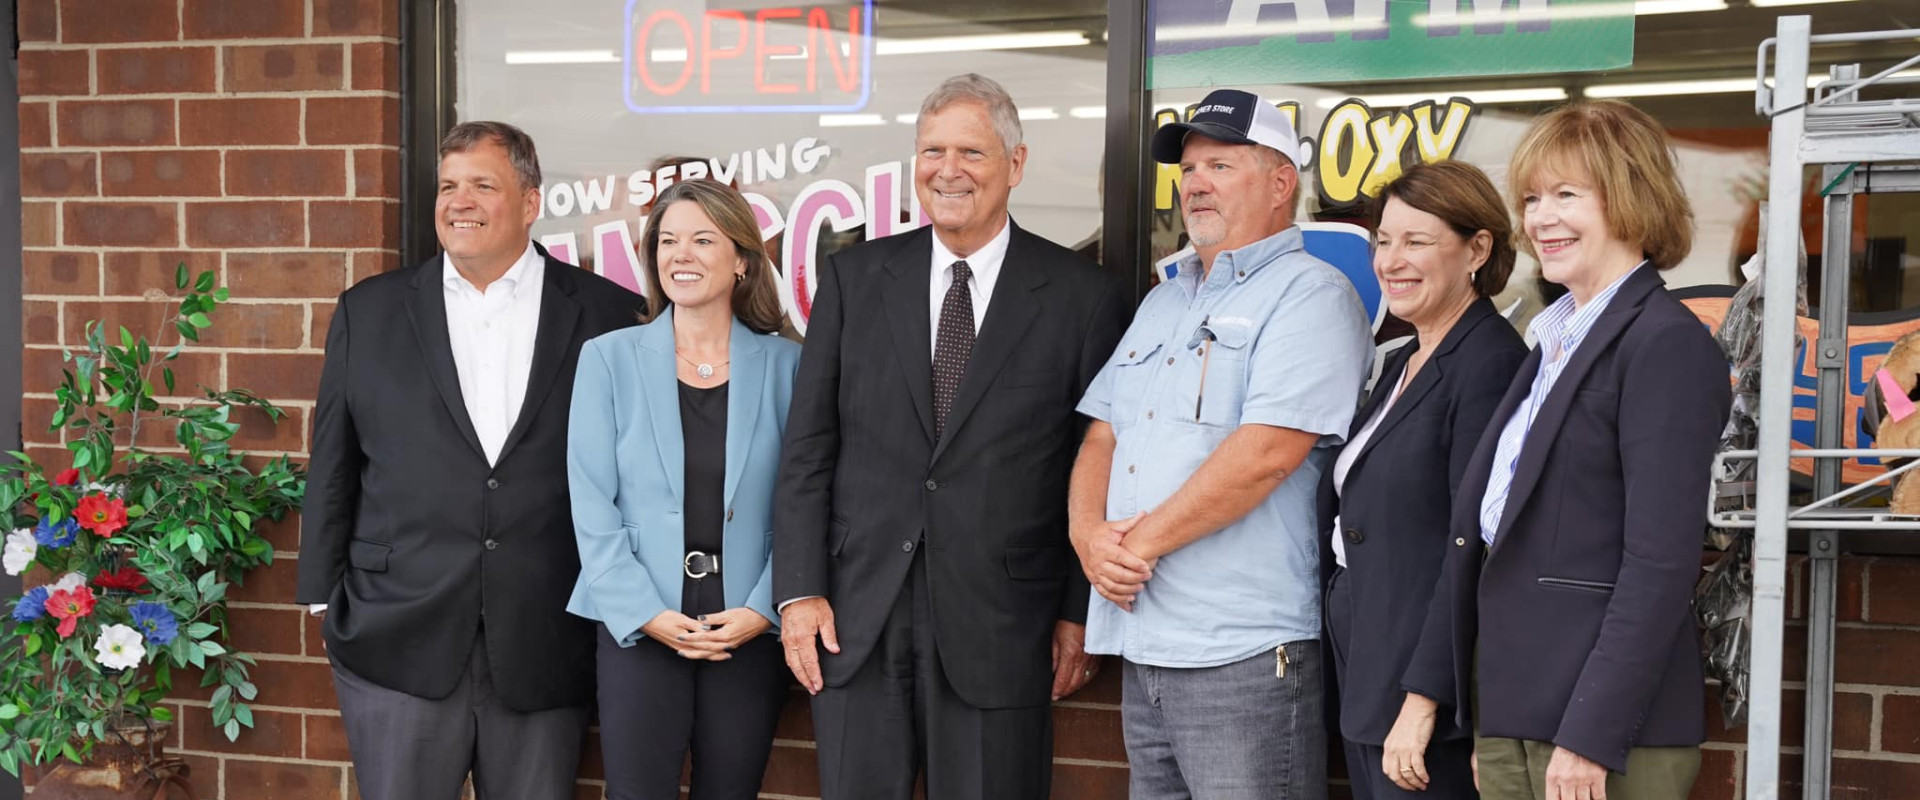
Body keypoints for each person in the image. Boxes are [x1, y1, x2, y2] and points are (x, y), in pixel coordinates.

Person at [773, 73, 1130, 800]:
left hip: (1004, 624)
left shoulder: (1082, 296)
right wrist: (800, 591)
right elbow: (808, 448)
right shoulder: (854, 279)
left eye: (972, 151)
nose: (948, 170)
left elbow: (1091, 462)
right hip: (856, 617)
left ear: (1016, 165)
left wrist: (1076, 610)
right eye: (932, 150)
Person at [296, 121, 647, 800]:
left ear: (530, 202)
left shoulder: (608, 313)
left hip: (549, 632)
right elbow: (334, 458)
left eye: (483, 185)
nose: (460, 201)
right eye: (448, 186)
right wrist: (322, 596)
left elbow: (636, 472)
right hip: (395, 631)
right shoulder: (369, 310)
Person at [1403, 100, 1732, 800]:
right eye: (1531, 198)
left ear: (1632, 197)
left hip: (1602, 731)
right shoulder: (1550, 342)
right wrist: (1460, 702)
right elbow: (1487, 538)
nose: (1541, 218)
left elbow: (1660, 562)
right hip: (1515, 710)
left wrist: (1589, 733)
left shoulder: (1665, 343)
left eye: (1566, 195)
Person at [1068, 87, 1373, 800]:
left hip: (1243, 650)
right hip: (1145, 641)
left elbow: (1266, 453)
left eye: (1220, 165)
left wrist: (1133, 549)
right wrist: (1087, 538)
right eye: (1189, 169)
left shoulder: (1312, 295)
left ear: (1280, 183)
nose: (1195, 183)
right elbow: (1103, 433)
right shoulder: (1164, 299)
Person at [565, 179, 801, 800]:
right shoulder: (607, 358)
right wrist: (643, 612)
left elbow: (807, 501)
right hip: (639, 622)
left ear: (742, 259)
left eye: (702, 239)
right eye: (667, 241)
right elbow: (591, 502)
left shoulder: (788, 366)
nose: (681, 255)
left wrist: (765, 607)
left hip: (747, 626)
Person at [1317, 161, 1527, 800]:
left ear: (1477, 250)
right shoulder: (1408, 357)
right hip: (1370, 667)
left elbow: (1472, 546)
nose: (1391, 260)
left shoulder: (1490, 363)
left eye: (1416, 241)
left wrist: (1423, 699)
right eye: (1384, 240)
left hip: (1420, 695)